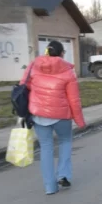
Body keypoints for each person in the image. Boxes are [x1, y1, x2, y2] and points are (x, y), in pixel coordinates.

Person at [20, 40, 85, 195]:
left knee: (46, 148)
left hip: (39, 114)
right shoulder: (68, 71)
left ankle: (50, 186)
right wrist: (80, 121)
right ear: (62, 53)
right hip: (61, 115)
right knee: (65, 141)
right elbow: (74, 100)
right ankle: (63, 175)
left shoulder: (33, 66)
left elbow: (24, 85)